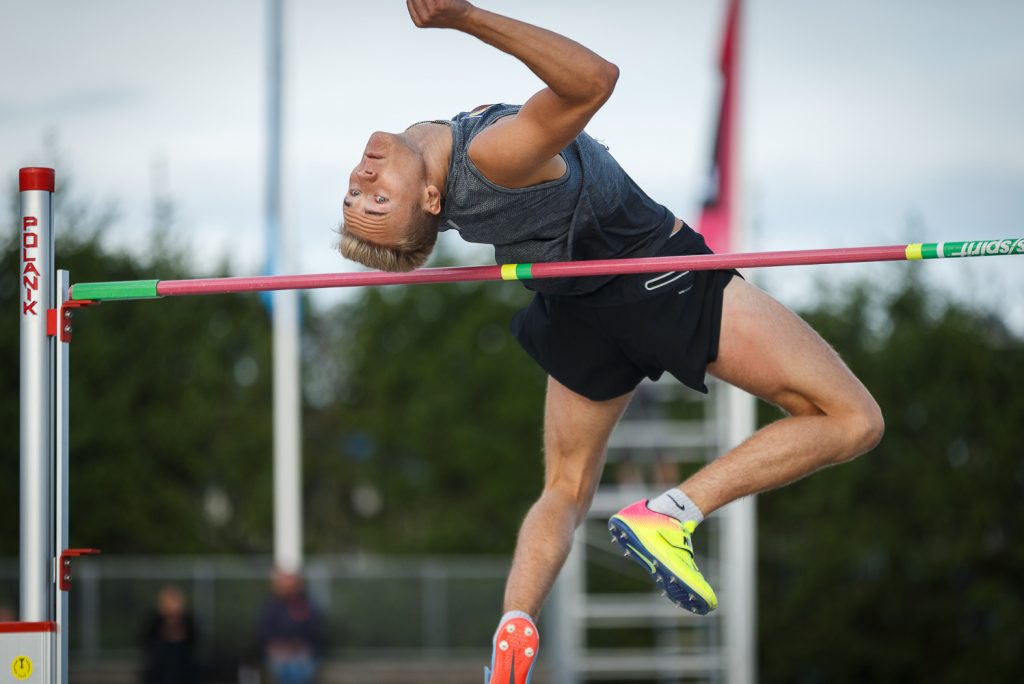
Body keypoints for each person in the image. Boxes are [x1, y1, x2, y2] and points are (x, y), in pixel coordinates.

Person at [338, 2, 885, 682]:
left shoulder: (436, 162)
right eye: (375, 202)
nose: (361, 184)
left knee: (565, 488)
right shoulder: (491, 157)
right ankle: (674, 513)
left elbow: (410, 213)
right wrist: (465, 16)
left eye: (354, 197)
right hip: (650, 273)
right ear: (427, 200)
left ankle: (513, 627)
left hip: (572, 303)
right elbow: (596, 79)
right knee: (852, 418)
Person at [255, 569, 327, 684]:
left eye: (290, 581)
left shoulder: (307, 604)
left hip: (302, 653)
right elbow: (263, 632)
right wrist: (278, 646)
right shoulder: (271, 606)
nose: (287, 585)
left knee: (298, 669)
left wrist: (297, 645)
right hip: (278, 653)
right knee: (283, 668)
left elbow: (316, 630)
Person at [139, 584, 201, 684]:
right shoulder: (156, 619)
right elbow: (145, 639)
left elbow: (194, 640)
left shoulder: (187, 620)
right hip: (161, 661)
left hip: (182, 661)